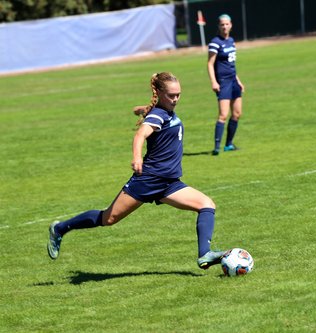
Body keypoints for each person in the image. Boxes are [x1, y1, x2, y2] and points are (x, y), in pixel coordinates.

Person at [47, 72, 226, 270]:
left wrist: (143, 110)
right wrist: (137, 157)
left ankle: (204, 254)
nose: (175, 99)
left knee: (206, 205)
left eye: (178, 95)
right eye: (171, 95)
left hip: (169, 183)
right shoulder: (158, 114)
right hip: (148, 179)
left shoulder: (162, 112)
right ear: (159, 92)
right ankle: (60, 228)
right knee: (108, 218)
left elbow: (153, 116)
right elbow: (141, 134)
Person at [207, 14, 245, 156]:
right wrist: (214, 81)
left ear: (231, 25)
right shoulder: (215, 42)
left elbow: (231, 65)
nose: (225, 26)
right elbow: (210, 64)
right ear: (219, 26)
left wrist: (238, 80)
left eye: (227, 24)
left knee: (236, 113)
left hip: (233, 81)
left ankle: (228, 144)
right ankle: (216, 147)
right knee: (223, 114)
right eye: (222, 24)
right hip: (223, 82)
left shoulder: (231, 41)